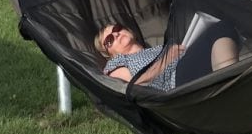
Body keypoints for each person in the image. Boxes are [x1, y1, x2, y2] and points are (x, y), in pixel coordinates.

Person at [94, 20, 240, 91]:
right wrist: (167, 59)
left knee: (225, 28)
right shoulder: (116, 64)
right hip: (175, 83)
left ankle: (230, 83)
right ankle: (234, 86)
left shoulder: (153, 49)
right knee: (220, 29)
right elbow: (132, 86)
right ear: (109, 54)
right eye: (109, 40)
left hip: (186, 70)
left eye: (117, 28)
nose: (116, 34)